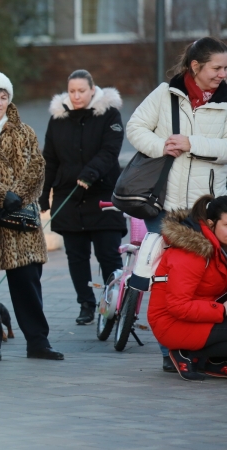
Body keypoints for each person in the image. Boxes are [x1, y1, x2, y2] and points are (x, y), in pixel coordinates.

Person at [127, 37, 227, 372]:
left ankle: (206, 345)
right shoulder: (165, 93)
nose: (223, 74)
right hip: (167, 206)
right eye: (217, 67)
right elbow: (135, 127)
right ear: (196, 67)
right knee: (164, 281)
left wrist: (192, 143)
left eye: (225, 68)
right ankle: (170, 351)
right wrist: (161, 146)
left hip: (209, 210)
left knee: (209, 280)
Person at [0, 70, 62, 361]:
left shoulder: (24, 130)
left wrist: (17, 195)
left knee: (28, 283)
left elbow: (37, 168)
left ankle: (38, 342)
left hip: (21, 219)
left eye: (3, 96)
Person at [39, 69, 126, 326]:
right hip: (69, 195)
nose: (76, 96)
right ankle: (86, 304)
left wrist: (90, 173)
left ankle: (113, 301)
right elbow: (51, 159)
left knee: (108, 253)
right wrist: (44, 194)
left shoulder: (109, 114)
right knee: (76, 255)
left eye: (81, 91)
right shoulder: (59, 118)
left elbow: (111, 150)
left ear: (92, 90)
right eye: (72, 91)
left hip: (101, 194)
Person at [148, 195, 227, 382]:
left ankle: (211, 361)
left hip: (201, 313)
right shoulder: (192, 252)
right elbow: (177, 306)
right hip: (171, 322)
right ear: (211, 223)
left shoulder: (220, 246)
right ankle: (187, 353)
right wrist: (223, 310)